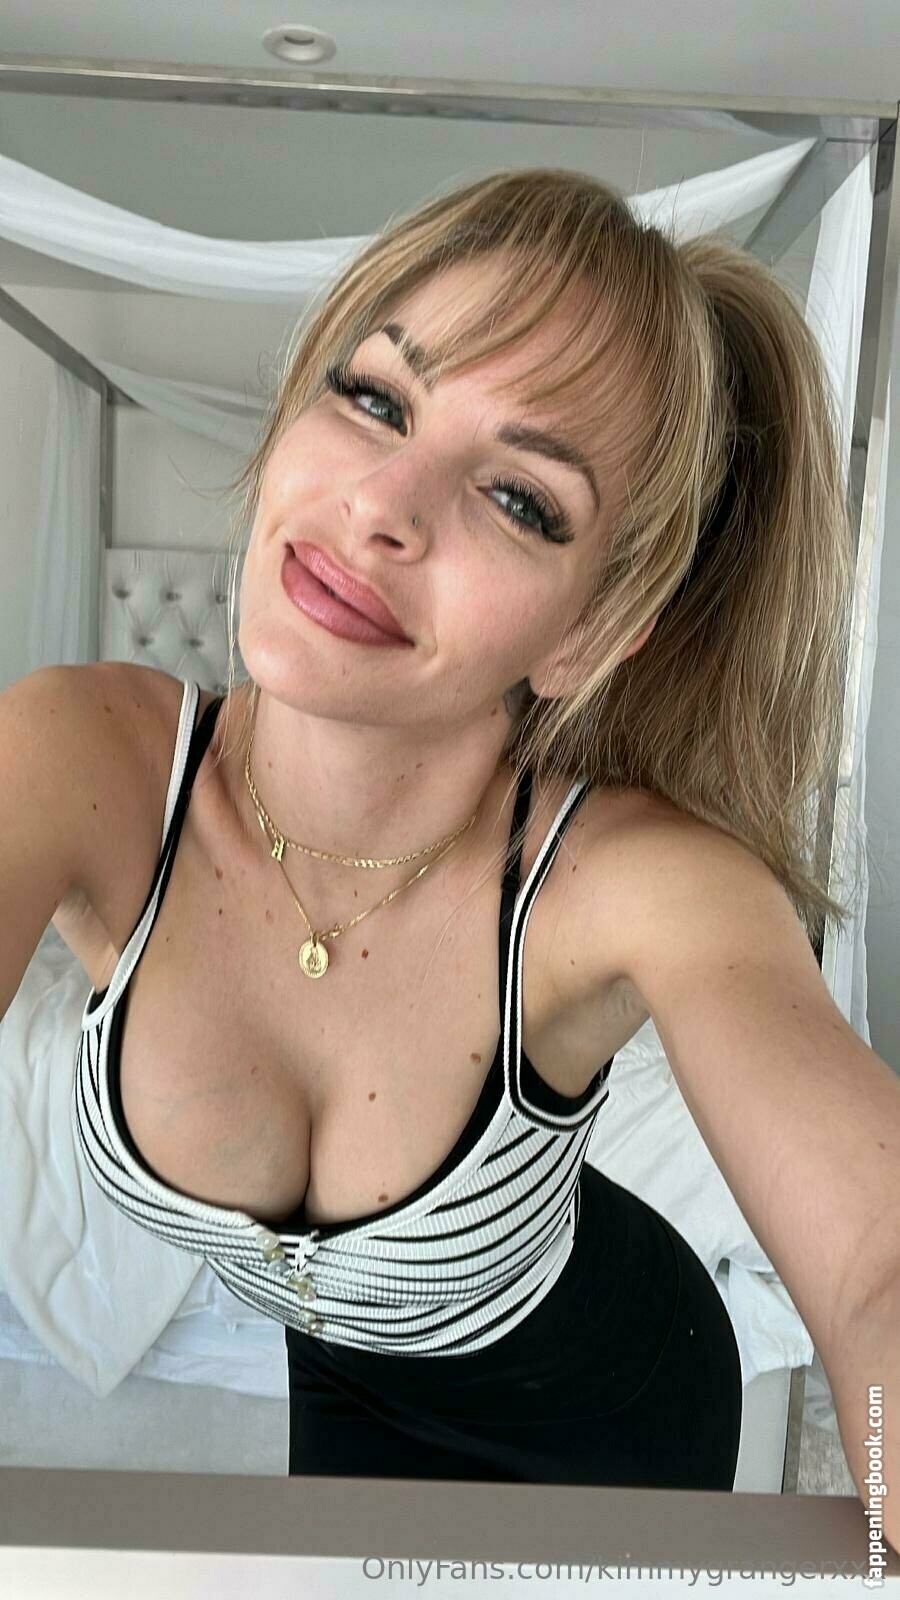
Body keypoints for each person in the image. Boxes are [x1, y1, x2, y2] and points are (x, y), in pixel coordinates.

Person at [1, 166, 866, 1492]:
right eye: (375, 399)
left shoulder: (636, 881)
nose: (381, 507)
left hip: (608, 1406)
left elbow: (877, 1266)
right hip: (339, 1372)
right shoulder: (78, 762)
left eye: (519, 498)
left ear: (590, 634)